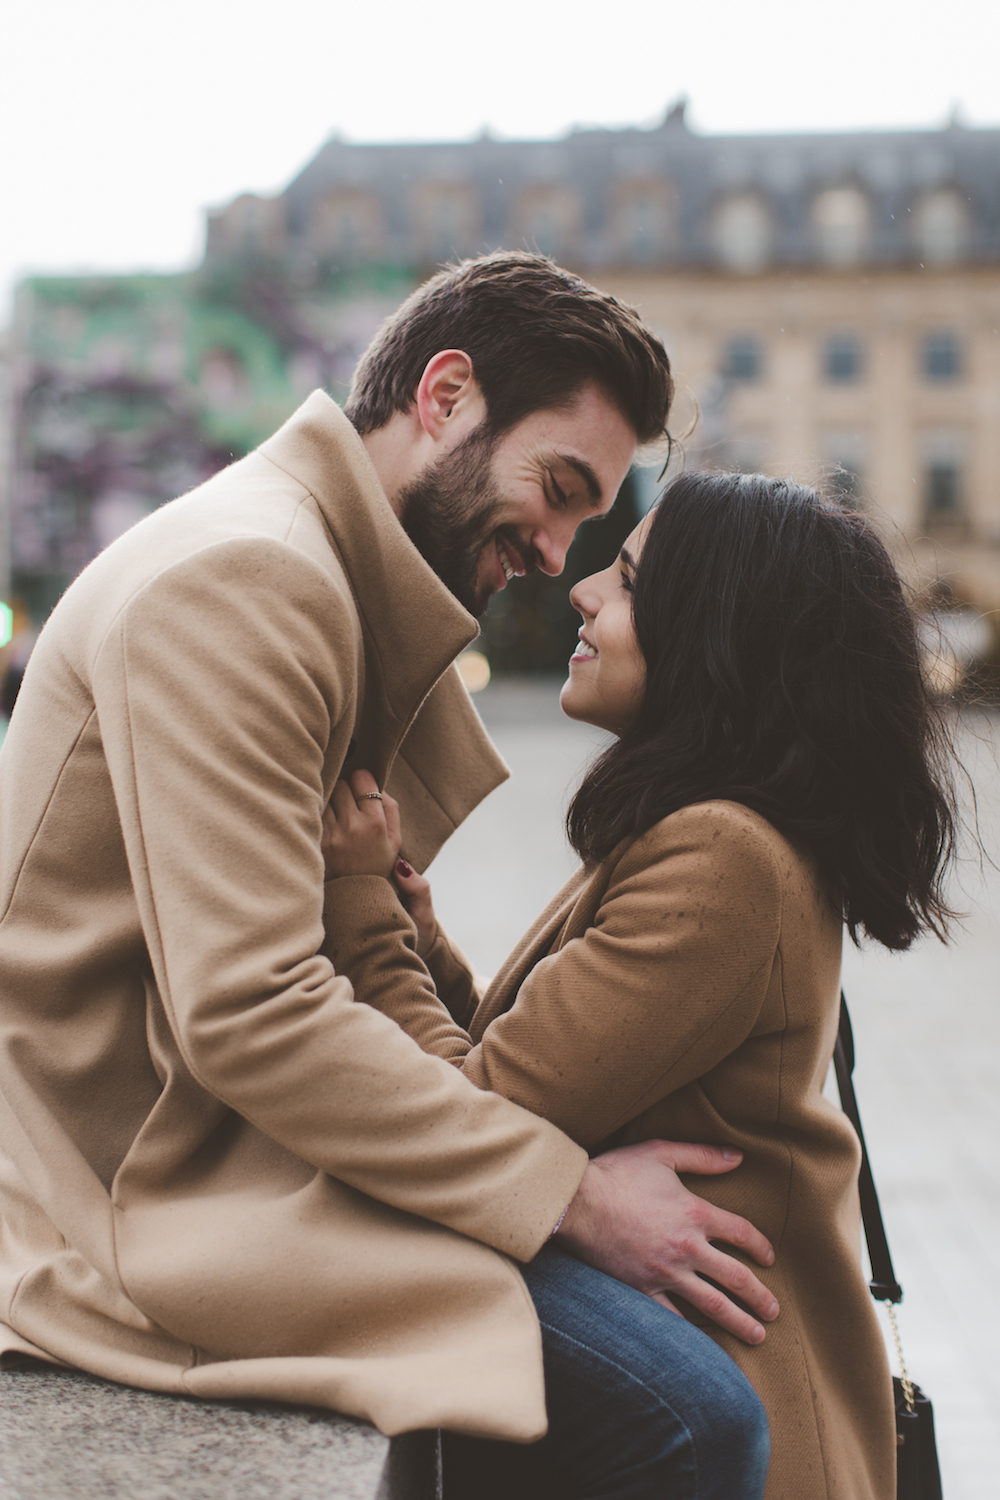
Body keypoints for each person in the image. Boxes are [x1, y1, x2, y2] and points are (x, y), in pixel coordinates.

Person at [0, 254, 774, 1499]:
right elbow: (254, 1013)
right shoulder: (249, 578)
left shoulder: (302, 562)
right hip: (129, 1196)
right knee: (689, 1415)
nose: (557, 553)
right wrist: (571, 1196)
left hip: (219, 1148)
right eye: (557, 491)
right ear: (445, 396)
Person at [321, 470, 962, 1500]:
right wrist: (418, 939)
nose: (581, 591)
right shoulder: (716, 832)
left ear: (715, 633)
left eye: (624, 581)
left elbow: (474, 1112)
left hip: (711, 1436)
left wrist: (358, 907)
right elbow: (536, 1067)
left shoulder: (723, 858)